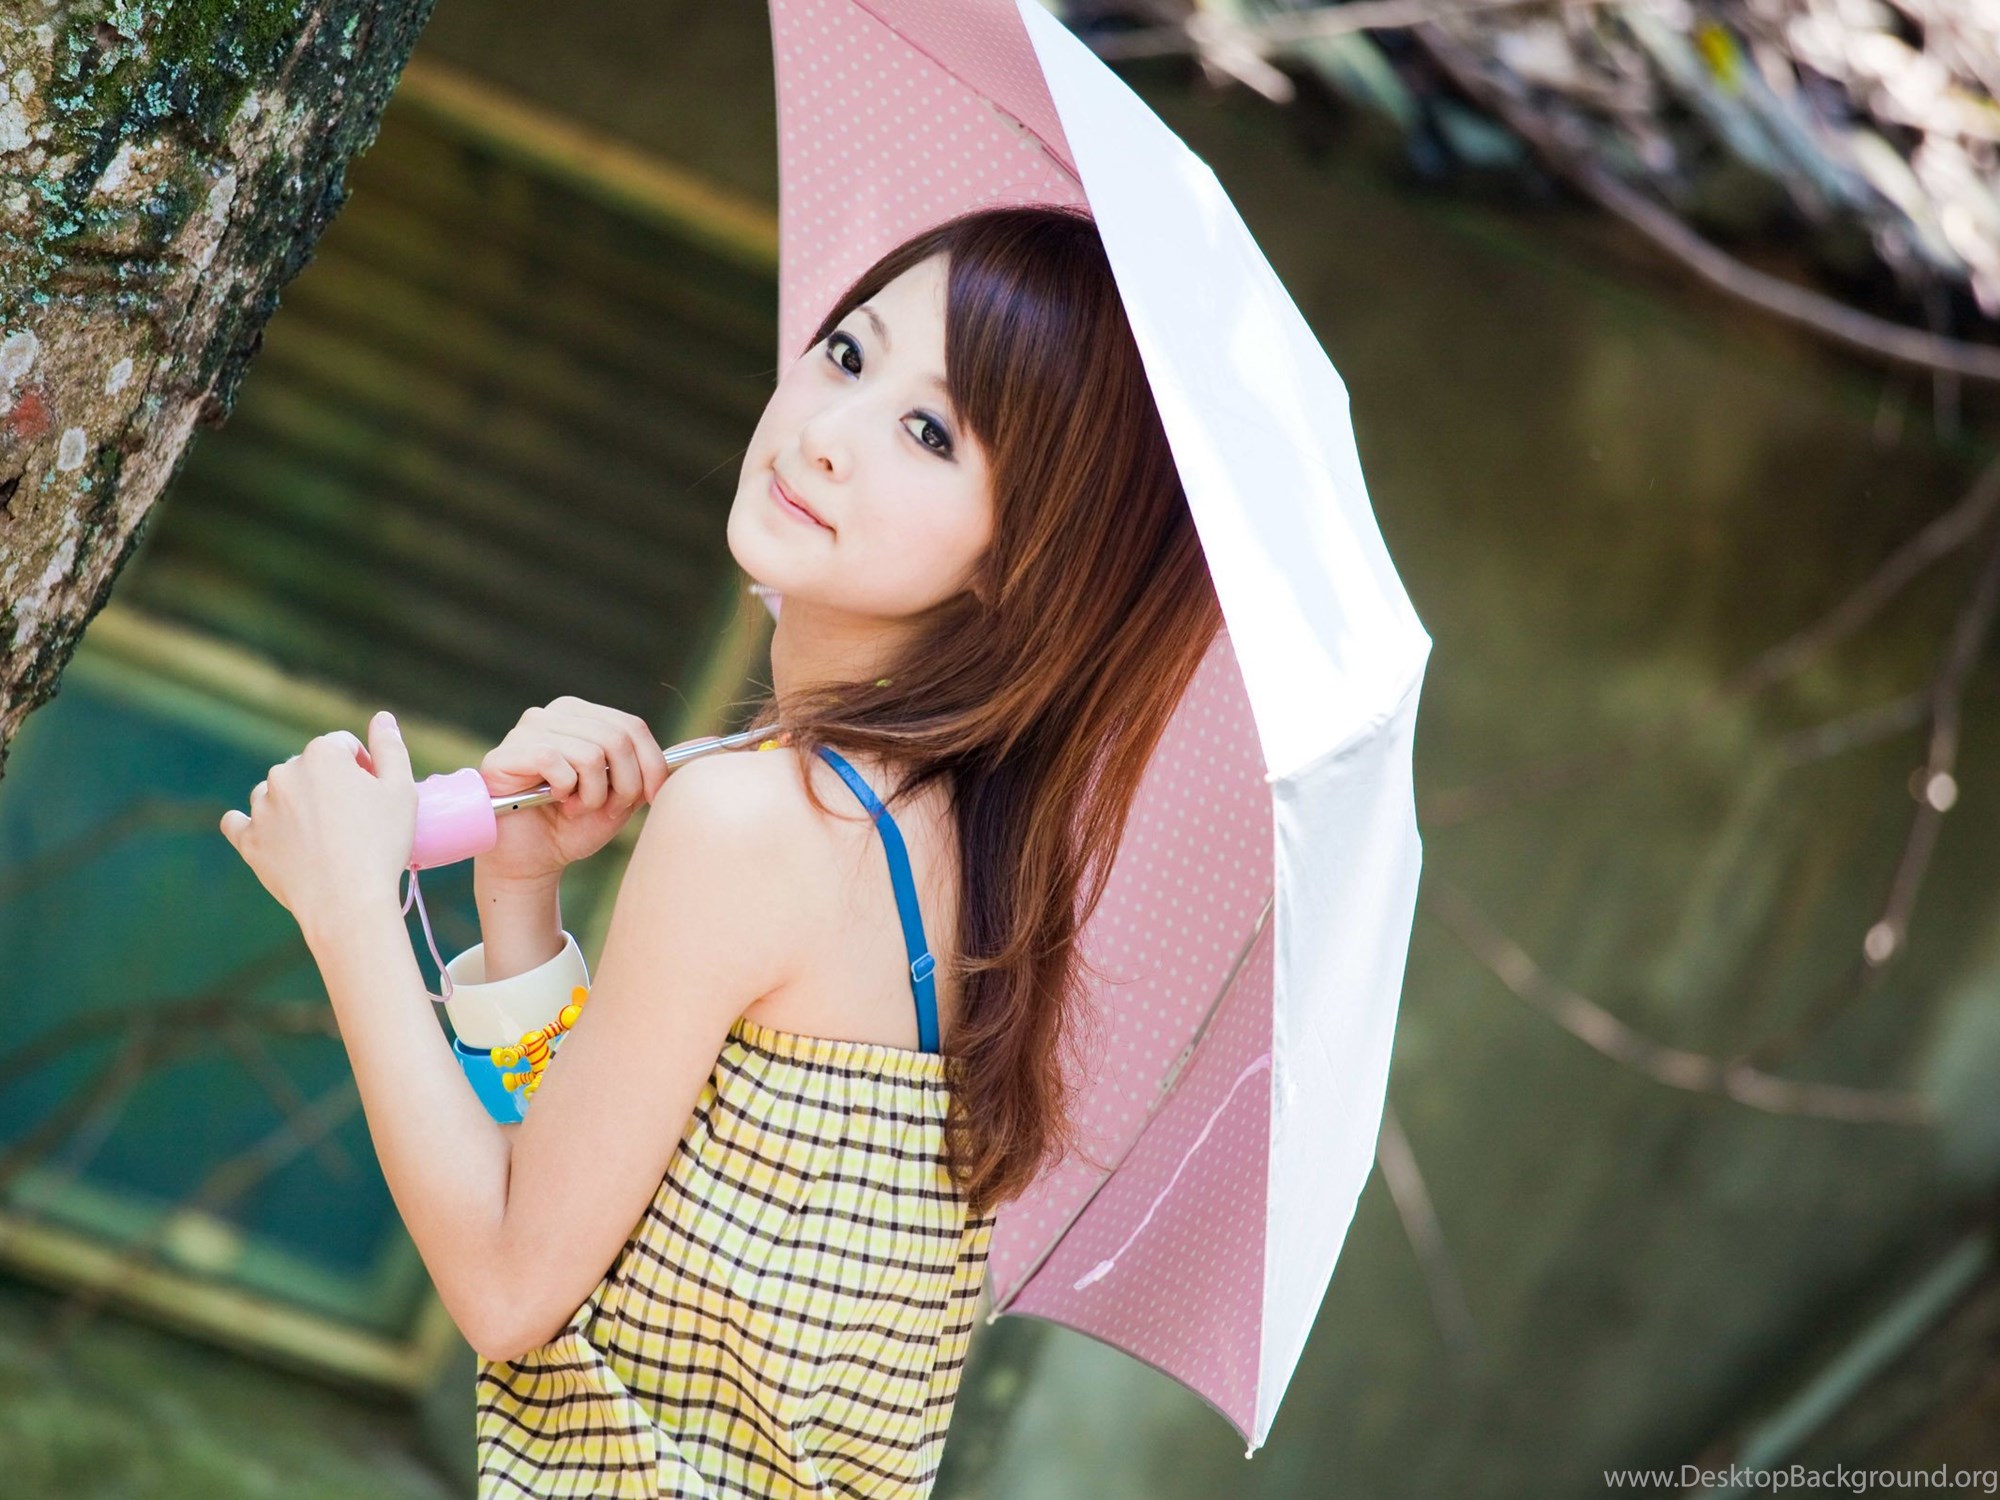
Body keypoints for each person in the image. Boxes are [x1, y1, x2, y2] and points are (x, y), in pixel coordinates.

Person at [217, 203, 1222, 1498]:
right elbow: (611, 1201)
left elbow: (512, 1287)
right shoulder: (950, 854)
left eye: (930, 434)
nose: (828, 432)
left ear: (1022, 558)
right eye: (848, 354)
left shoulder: (762, 821)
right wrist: (520, 894)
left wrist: (352, 913)